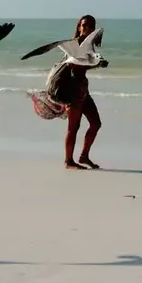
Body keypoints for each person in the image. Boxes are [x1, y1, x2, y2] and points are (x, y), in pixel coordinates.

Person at [28, 15, 107, 170]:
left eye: (91, 26)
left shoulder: (88, 45)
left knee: (96, 123)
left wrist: (97, 63)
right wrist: (96, 63)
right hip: (72, 92)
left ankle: (84, 156)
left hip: (83, 91)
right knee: (73, 128)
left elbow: (84, 65)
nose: (88, 29)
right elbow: (77, 66)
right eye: (84, 25)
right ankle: (68, 161)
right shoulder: (74, 45)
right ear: (79, 27)